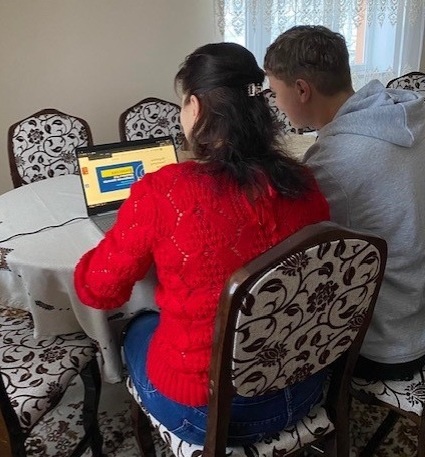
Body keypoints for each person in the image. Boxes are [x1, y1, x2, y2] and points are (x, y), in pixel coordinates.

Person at [74, 42, 330, 446]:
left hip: (211, 414)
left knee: (137, 324)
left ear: (194, 106)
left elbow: (100, 290)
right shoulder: (303, 181)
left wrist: (113, 244)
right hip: (304, 387)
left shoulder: (164, 193)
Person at [264, 25, 425, 381]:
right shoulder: (409, 114)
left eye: (275, 93)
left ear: (302, 89)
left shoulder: (334, 162)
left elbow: (285, 247)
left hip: (389, 341)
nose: (275, 103)